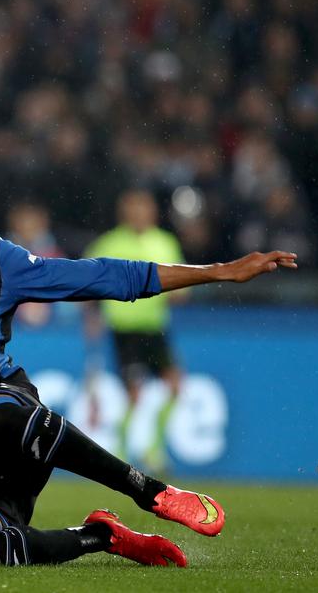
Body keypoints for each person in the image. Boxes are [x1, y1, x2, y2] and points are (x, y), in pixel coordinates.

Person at [0, 164, 296, 568]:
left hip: (11, 423)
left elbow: (103, 275)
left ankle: (151, 492)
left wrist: (217, 271)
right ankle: (99, 536)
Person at [83, 189, 186, 472]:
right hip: (125, 330)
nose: (140, 213)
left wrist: (176, 290)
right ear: (124, 212)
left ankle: (155, 446)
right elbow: (84, 285)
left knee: (175, 385)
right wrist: (91, 315)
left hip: (155, 328)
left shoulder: (166, 242)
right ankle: (121, 449)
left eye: (144, 207)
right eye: (134, 208)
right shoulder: (108, 244)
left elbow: (181, 289)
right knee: (134, 394)